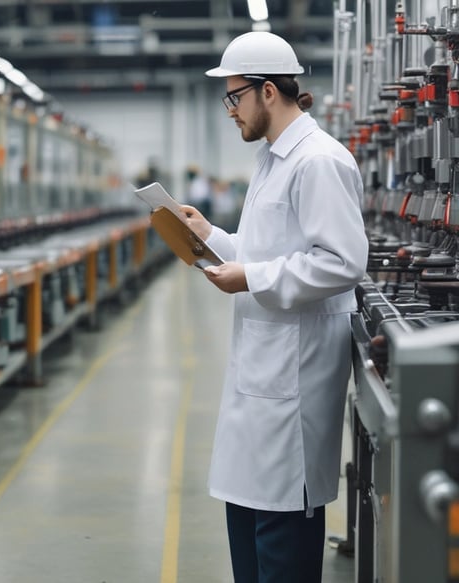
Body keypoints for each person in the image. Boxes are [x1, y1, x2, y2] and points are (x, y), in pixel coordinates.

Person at [179, 31, 368, 582]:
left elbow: (341, 262)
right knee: (250, 529)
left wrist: (251, 277)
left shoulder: (318, 161)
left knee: (281, 542)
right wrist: (211, 236)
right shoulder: (271, 160)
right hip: (262, 378)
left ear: (268, 91)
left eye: (234, 96)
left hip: (294, 383)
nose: (229, 110)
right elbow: (266, 251)